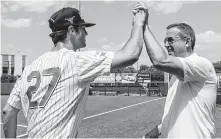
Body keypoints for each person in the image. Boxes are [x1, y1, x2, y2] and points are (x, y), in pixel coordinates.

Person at [2, 7, 147, 138]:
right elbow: (130, 55)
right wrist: (139, 24)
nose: (86, 32)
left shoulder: (29, 68)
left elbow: (8, 111)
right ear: (71, 30)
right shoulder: (75, 61)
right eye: (82, 28)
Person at [133, 2, 217, 138]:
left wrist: (143, 26)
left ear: (187, 41)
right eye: (165, 40)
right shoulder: (176, 76)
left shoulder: (201, 64)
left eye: (170, 40)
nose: (166, 44)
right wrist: (155, 132)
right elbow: (176, 113)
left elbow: (160, 60)